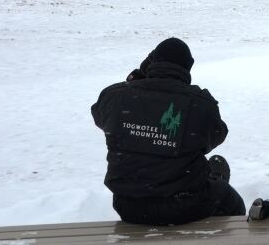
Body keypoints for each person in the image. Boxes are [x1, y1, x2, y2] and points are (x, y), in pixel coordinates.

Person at [91, 37, 245, 225]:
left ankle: (214, 178)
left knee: (212, 171)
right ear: (187, 67)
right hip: (185, 204)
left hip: (128, 205)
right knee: (231, 200)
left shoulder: (114, 96)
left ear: (151, 64)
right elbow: (217, 135)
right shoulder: (200, 103)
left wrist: (139, 78)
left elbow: (100, 116)